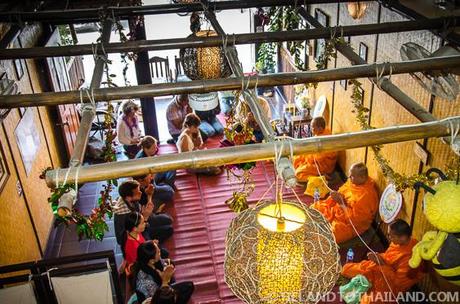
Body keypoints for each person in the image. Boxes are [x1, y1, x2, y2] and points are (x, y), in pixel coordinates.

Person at [342, 219, 424, 304]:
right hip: (381, 267)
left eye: (392, 236)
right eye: (388, 235)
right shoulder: (399, 242)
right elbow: (388, 256)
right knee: (346, 269)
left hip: (390, 285)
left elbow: (398, 283)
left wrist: (381, 263)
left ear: (403, 237)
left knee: (369, 301)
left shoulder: (411, 259)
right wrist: (378, 257)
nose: (389, 238)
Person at [312, 162, 378, 244]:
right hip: (337, 208)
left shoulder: (366, 196)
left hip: (348, 224)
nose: (349, 177)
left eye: (352, 176)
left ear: (362, 177)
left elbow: (356, 221)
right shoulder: (353, 181)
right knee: (313, 209)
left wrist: (341, 203)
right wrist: (336, 196)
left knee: (329, 237)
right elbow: (343, 191)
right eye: (350, 175)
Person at [114, 181, 174, 245]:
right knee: (168, 229)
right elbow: (125, 239)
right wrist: (145, 217)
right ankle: (152, 246)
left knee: (168, 222)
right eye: (137, 192)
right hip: (138, 235)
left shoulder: (130, 200)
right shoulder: (125, 215)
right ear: (128, 197)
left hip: (142, 224)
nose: (140, 192)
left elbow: (143, 215)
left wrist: (149, 196)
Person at [293, 117, 338, 182]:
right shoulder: (325, 130)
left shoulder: (323, 140)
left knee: (298, 174)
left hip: (323, 166)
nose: (311, 129)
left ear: (320, 128)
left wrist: (307, 157)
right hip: (318, 161)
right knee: (297, 157)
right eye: (311, 127)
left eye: (313, 127)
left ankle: (320, 177)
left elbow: (318, 158)